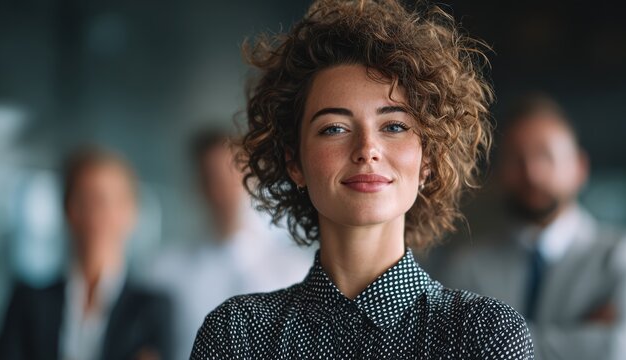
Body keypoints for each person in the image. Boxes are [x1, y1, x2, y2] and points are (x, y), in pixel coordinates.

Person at [190, 1, 534, 358]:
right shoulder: (239, 332)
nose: (367, 149)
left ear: (427, 159)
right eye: (334, 128)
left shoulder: (483, 332)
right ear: (294, 162)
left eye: (394, 126)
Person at [441, 94, 626, 359]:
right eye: (516, 158)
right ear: (500, 173)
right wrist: (579, 338)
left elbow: (617, 350)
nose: (532, 172)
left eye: (546, 155)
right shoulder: (467, 268)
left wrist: (488, 339)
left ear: (579, 168)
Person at [144, 129, 312, 359]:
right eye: (212, 177)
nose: (224, 188)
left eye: (233, 173)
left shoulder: (296, 270)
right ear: (199, 186)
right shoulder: (165, 271)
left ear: (252, 178)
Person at [0, 148, 173, 360]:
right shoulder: (28, 302)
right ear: (68, 209)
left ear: (131, 212)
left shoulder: (152, 310)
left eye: (108, 201)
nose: (97, 213)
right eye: (86, 200)